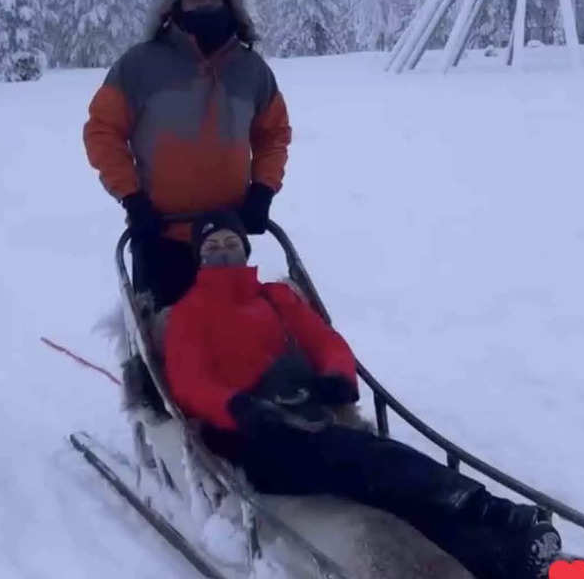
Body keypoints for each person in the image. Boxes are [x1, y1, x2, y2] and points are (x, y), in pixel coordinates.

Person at [162, 211, 562, 579]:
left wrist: (336, 376)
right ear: (199, 258)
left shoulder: (275, 298)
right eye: (211, 247)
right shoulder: (188, 314)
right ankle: (486, 508)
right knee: (373, 460)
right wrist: (237, 407)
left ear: (245, 249)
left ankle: (503, 558)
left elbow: (326, 342)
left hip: (308, 418)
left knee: (391, 492)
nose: (222, 253)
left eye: (231, 243)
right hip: (255, 440)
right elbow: (188, 381)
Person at [83, 0, 291, 308]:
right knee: (166, 351)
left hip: (226, 239)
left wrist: (262, 190)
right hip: (160, 236)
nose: (207, 4)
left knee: (238, 344)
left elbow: (273, 135)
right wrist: (132, 198)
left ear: (230, 1)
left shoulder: (251, 70)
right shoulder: (139, 65)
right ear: (176, 1)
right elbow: (103, 131)